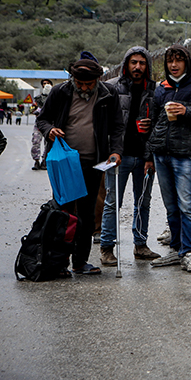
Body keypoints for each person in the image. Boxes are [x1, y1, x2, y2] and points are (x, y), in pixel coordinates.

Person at [36, 57, 125, 276]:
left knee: (87, 214)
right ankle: (59, 262)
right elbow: (42, 119)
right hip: (65, 161)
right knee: (63, 212)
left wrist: (116, 151)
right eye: (80, 83)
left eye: (89, 84)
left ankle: (80, 262)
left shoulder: (108, 94)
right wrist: (50, 131)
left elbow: (117, 126)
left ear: (98, 79)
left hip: (94, 162)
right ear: (73, 78)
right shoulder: (60, 92)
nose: (84, 87)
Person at [146, 44, 191, 273]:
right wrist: (150, 152)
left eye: (178, 60)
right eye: (170, 61)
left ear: (186, 63)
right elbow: (157, 121)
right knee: (171, 207)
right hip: (162, 154)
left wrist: (187, 111)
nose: (174, 65)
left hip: (186, 155)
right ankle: (176, 249)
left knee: (188, 207)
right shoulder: (161, 88)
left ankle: (189, 253)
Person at [100, 46, 161, 266]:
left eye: (142, 63)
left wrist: (151, 153)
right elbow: (103, 122)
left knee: (143, 202)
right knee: (112, 203)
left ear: (147, 66)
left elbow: (160, 125)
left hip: (144, 157)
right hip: (118, 157)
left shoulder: (155, 90)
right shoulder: (112, 87)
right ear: (126, 63)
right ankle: (107, 248)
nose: (137, 67)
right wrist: (109, 150)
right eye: (133, 62)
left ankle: (141, 245)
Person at [31, 80, 53, 170]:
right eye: (44, 84)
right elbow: (34, 108)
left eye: (47, 83)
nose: (46, 85)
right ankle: (36, 161)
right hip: (39, 124)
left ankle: (45, 161)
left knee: (48, 143)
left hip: (50, 124)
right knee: (36, 141)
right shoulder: (38, 98)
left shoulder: (55, 97)